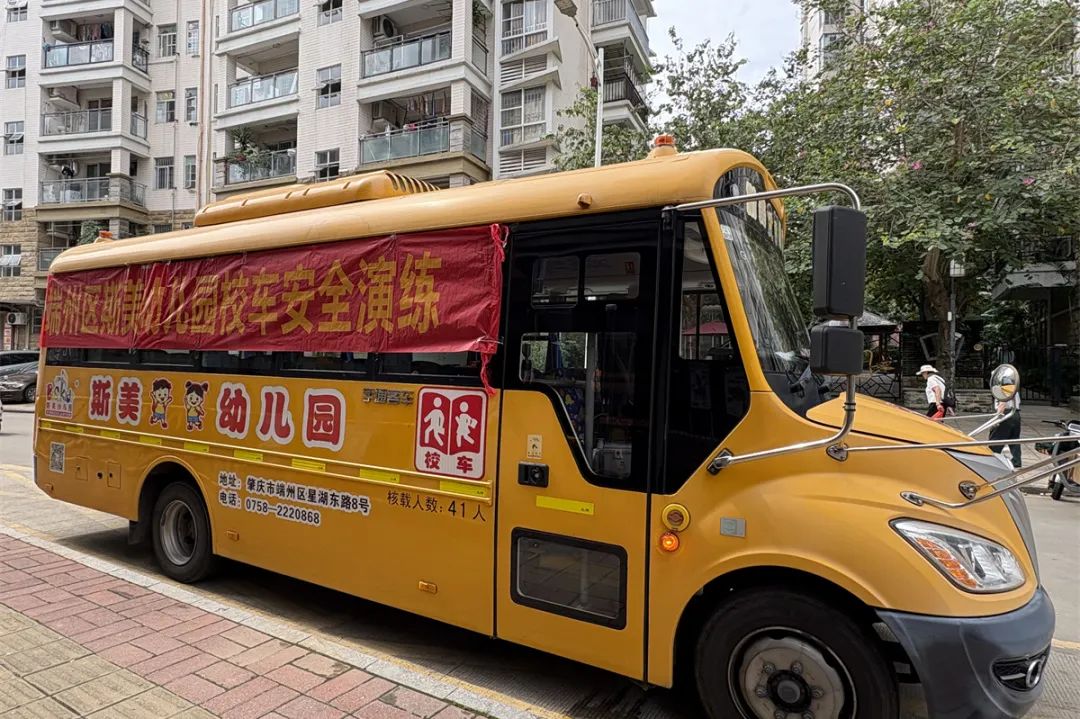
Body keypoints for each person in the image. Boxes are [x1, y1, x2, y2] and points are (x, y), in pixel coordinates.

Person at [989, 391, 1022, 468]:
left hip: (1006, 413)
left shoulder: (1004, 386)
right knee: (1014, 439)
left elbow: (1002, 402)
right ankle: (1016, 461)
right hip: (1015, 413)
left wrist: (997, 417)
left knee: (996, 438)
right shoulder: (1014, 387)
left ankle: (991, 459)